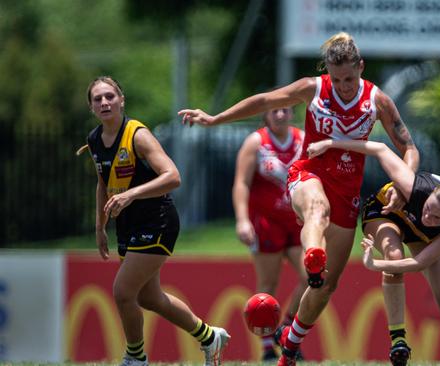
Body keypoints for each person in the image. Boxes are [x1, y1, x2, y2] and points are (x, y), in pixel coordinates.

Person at [178, 32, 419, 365]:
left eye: (350, 78)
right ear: (327, 73)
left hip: (348, 192)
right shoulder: (313, 88)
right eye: (337, 79)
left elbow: (408, 147)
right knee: (316, 210)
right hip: (308, 175)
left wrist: (403, 185)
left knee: (326, 286)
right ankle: (313, 254)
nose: (344, 86)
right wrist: (217, 118)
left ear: (361, 68)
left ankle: (289, 344)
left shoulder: (377, 101)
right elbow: (264, 101)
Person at [82, 76, 230, 366]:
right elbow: (103, 182)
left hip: (157, 220)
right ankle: (209, 336)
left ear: (121, 99)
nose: (104, 102)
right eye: (97, 99)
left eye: (110, 96)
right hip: (129, 224)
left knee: (123, 293)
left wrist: (131, 195)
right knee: (149, 298)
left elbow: (173, 177)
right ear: (91, 106)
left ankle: (136, 357)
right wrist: (100, 227)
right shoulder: (94, 140)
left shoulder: (137, 135)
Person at [307, 138, 440, 366]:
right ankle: (398, 341)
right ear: (429, 196)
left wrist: (374, 265)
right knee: (394, 256)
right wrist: (329, 143)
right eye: (428, 208)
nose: (428, 217)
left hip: (422, 235)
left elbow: (419, 263)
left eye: (436, 217)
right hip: (385, 212)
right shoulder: (413, 186)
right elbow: (379, 148)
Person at [232, 107, 308, 361]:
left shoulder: (302, 139)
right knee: (268, 286)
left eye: (284, 110)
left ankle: (286, 329)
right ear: (266, 116)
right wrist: (242, 220)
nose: (279, 115)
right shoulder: (256, 142)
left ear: (291, 113)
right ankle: (266, 344)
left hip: (297, 221)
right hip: (266, 221)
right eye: (274, 110)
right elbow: (241, 182)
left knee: (312, 278)